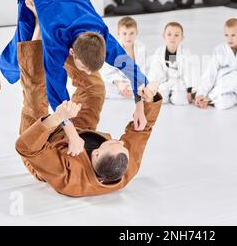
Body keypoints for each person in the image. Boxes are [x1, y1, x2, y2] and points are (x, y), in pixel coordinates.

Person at [0, 0, 154, 154]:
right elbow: (55, 91)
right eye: (84, 67)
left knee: (88, 79)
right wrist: (72, 135)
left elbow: (134, 72)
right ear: (71, 52)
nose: (88, 73)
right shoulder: (55, 39)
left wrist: (140, 107)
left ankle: (2, 59)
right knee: (26, 47)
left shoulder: (104, 37)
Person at [15, 39, 162, 197]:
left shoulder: (71, 178)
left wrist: (58, 117)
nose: (120, 141)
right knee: (94, 90)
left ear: (96, 154)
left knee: (36, 95)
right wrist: (148, 99)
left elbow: (26, 147)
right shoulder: (124, 164)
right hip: (79, 133)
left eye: (112, 143)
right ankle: (73, 51)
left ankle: (35, 43)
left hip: (41, 147)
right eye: (122, 145)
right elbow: (143, 129)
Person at [194, 18, 237, 110]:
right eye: (226, 35)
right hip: (222, 84)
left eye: (233, 35)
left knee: (221, 104)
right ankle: (208, 97)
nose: (229, 38)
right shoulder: (219, 49)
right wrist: (201, 93)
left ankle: (208, 100)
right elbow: (210, 72)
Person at [147, 22, 198, 105]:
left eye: (176, 35)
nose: (172, 38)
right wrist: (153, 85)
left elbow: (189, 72)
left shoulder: (185, 52)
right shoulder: (159, 51)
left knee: (180, 101)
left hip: (179, 82)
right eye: (169, 34)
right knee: (160, 100)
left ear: (182, 38)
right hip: (164, 81)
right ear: (164, 35)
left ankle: (174, 95)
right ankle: (168, 94)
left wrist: (189, 91)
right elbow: (155, 69)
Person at [100, 16, 148, 99]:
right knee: (101, 87)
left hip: (134, 82)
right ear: (118, 33)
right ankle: (128, 92)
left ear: (137, 32)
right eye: (124, 33)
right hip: (117, 82)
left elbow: (142, 69)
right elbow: (107, 71)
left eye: (131, 33)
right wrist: (119, 83)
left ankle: (130, 92)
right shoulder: (113, 48)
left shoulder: (141, 48)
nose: (128, 37)